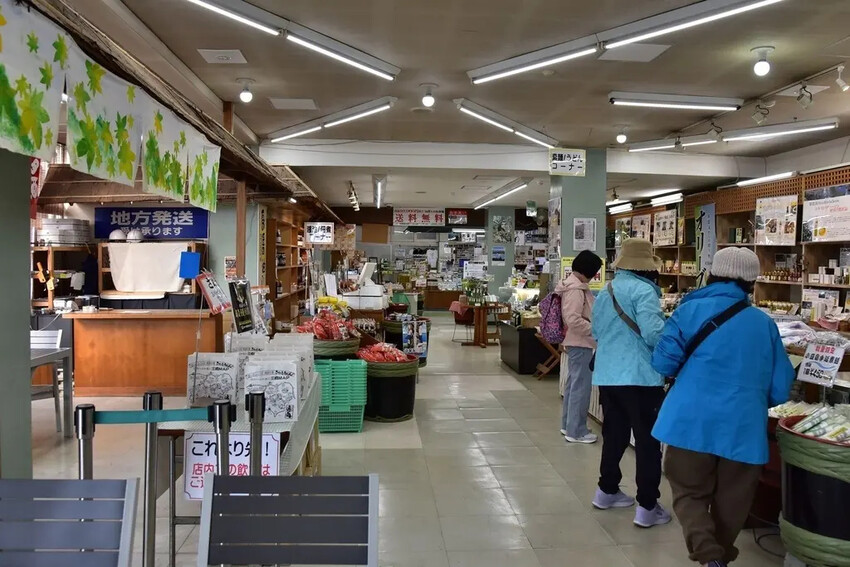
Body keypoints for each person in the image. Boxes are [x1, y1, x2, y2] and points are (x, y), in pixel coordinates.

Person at [651, 247, 794, 567]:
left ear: (712, 274)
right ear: (752, 283)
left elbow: (663, 362)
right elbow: (781, 386)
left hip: (689, 421)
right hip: (744, 426)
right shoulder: (764, 324)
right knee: (733, 499)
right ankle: (719, 556)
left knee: (688, 490)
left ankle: (708, 553)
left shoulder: (688, 311)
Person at [591, 238, 671, 528]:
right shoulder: (644, 291)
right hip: (640, 377)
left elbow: (596, 330)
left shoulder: (606, 290)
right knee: (647, 442)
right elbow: (653, 334)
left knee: (614, 435)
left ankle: (606, 490)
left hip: (608, 374)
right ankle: (647, 506)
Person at [556, 250, 603, 444]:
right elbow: (573, 319)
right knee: (580, 388)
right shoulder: (576, 289)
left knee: (574, 385)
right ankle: (576, 431)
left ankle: (569, 425)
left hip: (576, 341)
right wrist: (595, 331)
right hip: (581, 342)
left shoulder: (570, 285)